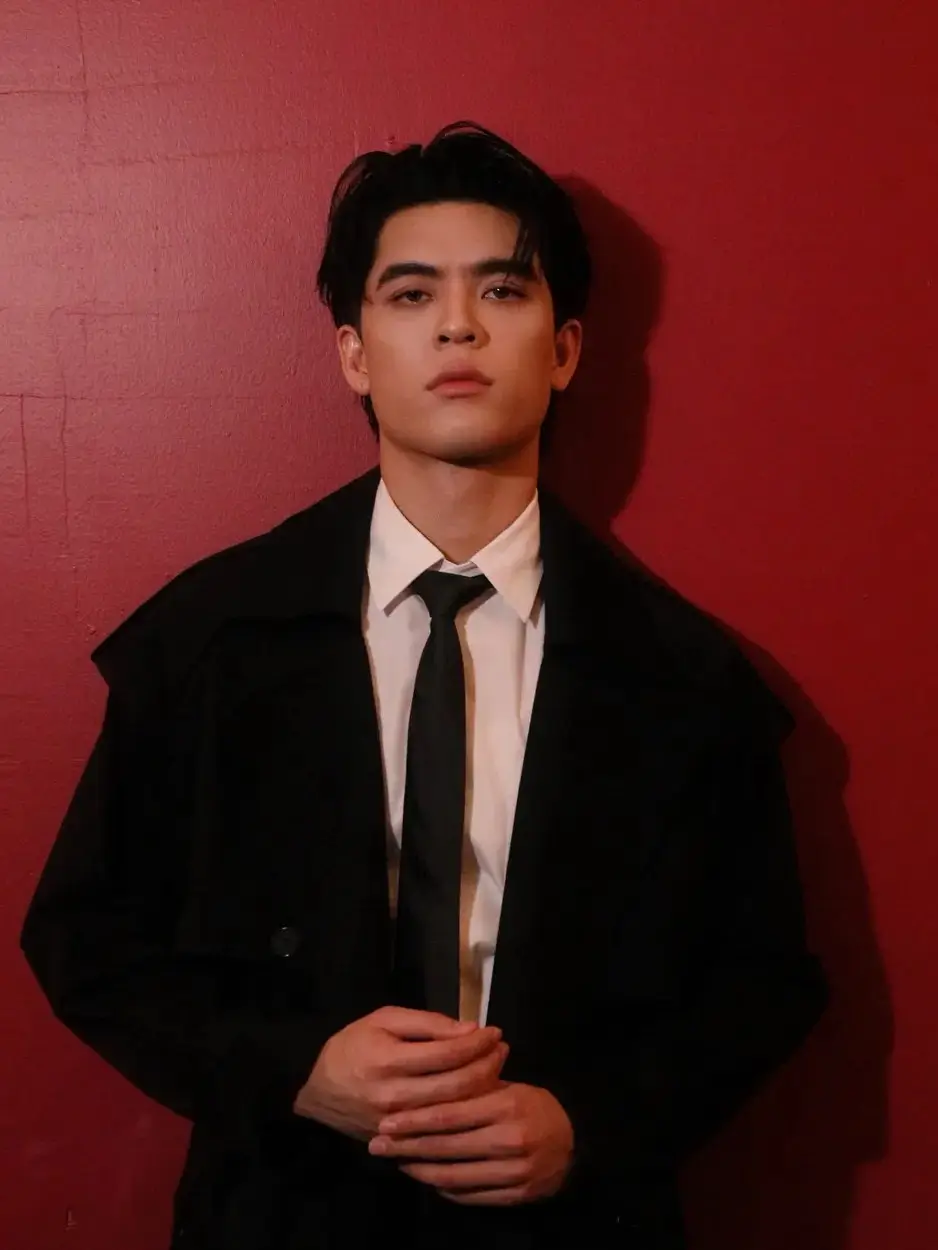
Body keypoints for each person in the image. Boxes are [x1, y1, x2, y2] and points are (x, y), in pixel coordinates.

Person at [21, 121, 829, 1249]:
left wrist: (588, 1123)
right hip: (280, 1213)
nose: (458, 324)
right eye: (411, 294)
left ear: (565, 349)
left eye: (501, 288)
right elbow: (85, 935)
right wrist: (294, 1068)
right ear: (354, 352)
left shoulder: (686, 680)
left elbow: (761, 982)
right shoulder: (207, 638)